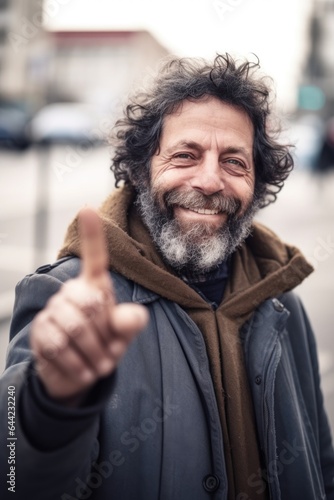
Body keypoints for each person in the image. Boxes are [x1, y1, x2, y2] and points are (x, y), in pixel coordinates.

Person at [0, 53, 333, 500]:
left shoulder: (282, 301)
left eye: (234, 162)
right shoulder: (65, 296)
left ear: (258, 184)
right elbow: (15, 480)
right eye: (185, 155)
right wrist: (50, 407)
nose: (210, 180)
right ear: (141, 169)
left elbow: (321, 465)